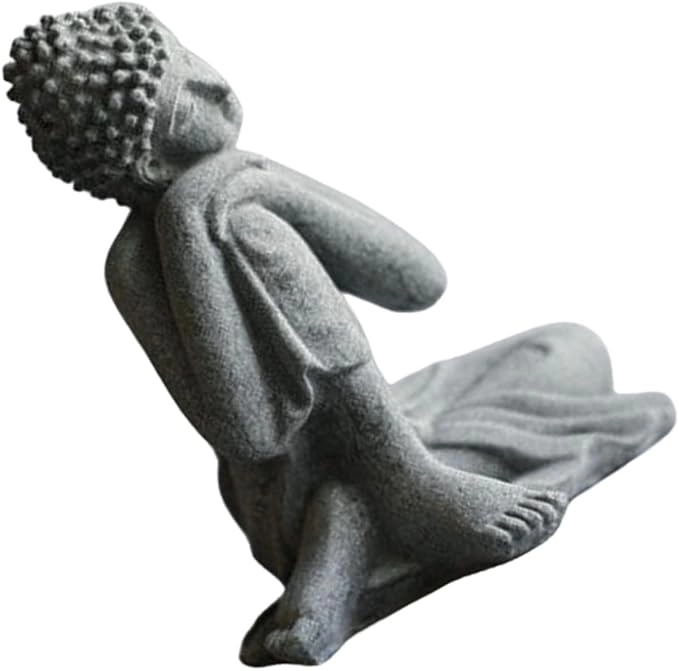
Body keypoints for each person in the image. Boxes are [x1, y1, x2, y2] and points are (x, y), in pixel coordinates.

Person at [5, 4, 675, 666]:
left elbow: (418, 283)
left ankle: (343, 542)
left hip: (382, 424)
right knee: (251, 236)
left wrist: (257, 180)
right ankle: (407, 491)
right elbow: (250, 432)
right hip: (287, 492)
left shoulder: (237, 189)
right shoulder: (138, 265)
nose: (216, 88)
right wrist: (190, 226)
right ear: (148, 162)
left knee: (572, 347)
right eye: (185, 103)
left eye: (186, 56)